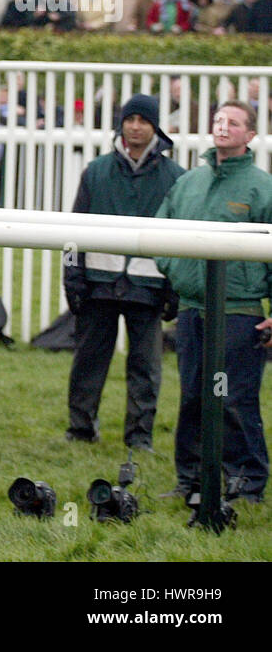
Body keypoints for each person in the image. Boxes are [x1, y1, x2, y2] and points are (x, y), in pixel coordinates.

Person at [155, 102, 272, 504]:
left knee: (234, 399)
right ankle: (190, 480)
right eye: (219, 120)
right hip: (192, 309)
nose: (224, 127)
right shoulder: (189, 183)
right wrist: (178, 273)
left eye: (234, 122)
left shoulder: (263, 187)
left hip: (240, 312)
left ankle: (246, 483)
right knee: (192, 396)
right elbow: (160, 233)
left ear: (250, 135)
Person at [62, 95, 182, 450]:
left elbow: (180, 239)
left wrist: (173, 290)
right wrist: (73, 280)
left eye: (143, 120)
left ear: (155, 127)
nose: (135, 126)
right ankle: (80, 429)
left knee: (145, 368)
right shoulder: (96, 171)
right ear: (121, 124)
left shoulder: (176, 178)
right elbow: (74, 231)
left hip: (149, 288)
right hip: (98, 284)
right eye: (129, 119)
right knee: (88, 362)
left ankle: (139, 438)